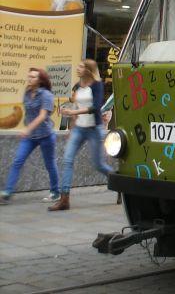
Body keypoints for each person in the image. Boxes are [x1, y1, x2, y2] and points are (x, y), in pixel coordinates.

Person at [49, 60, 113, 211]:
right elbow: (76, 107)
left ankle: (120, 183)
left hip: (93, 129)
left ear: (89, 70)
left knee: (98, 165)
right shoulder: (78, 86)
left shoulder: (97, 85)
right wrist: (72, 129)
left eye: (81, 67)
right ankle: (64, 199)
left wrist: (73, 112)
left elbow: (96, 107)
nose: (77, 69)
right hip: (79, 128)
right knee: (67, 160)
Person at [0, 68, 60, 204]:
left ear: (40, 80)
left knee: (50, 164)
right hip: (30, 136)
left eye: (33, 77)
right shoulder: (27, 93)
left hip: (45, 135)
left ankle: (55, 193)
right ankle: (7, 193)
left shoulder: (46, 95)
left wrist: (27, 129)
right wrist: (27, 128)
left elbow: (42, 115)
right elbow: (29, 113)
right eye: (29, 76)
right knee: (18, 161)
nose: (29, 79)